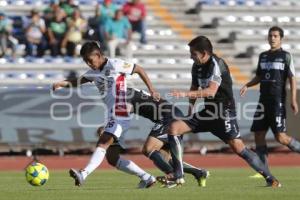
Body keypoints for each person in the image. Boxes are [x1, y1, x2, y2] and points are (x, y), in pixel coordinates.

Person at [164, 35, 281, 188]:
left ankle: (271, 179)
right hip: (208, 112)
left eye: (193, 53)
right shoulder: (196, 67)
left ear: (204, 53)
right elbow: (194, 88)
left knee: (238, 147)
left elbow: (211, 92)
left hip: (224, 112)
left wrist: (183, 94)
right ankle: (179, 175)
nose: (191, 56)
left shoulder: (217, 64)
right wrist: (190, 110)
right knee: (174, 128)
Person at [52, 41, 159, 188]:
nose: (89, 64)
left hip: (121, 109)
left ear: (98, 55)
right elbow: (77, 81)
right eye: (86, 62)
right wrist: (61, 84)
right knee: (112, 158)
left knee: (103, 142)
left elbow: (139, 69)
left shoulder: (115, 65)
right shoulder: (93, 73)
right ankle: (147, 177)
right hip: (112, 113)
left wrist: (152, 90)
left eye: (90, 60)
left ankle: (83, 173)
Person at [99, 88, 209, 187]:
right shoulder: (132, 93)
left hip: (168, 117)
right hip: (172, 114)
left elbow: (121, 116)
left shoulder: (125, 95)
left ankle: (174, 176)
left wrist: (107, 128)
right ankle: (199, 173)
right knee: (166, 159)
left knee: (148, 149)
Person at [240, 26, 300, 178]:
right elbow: (259, 77)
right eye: (270, 36)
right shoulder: (263, 56)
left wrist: (293, 99)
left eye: (275, 36)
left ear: (281, 39)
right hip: (263, 101)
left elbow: (292, 78)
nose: (272, 38)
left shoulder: (286, 56)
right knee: (258, 134)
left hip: (277, 101)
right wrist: (247, 85)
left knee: (281, 138)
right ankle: (263, 171)